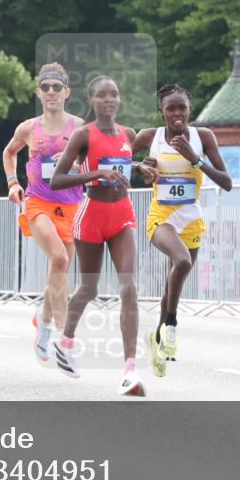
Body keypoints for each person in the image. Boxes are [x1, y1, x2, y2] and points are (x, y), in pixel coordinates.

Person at [50, 76, 158, 396]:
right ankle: (66, 341)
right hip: (92, 216)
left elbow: (121, 162)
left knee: (128, 287)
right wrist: (96, 174)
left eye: (114, 94)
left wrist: (140, 167)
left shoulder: (129, 134)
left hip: (122, 215)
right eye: (102, 95)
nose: (109, 100)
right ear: (92, 100)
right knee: (90, 287)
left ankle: (129, 370)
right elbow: (58, 180)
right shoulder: (83, 135)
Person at [132, 84, 232, 378]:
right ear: (161, 111)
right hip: (161, 216)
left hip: (191, 218)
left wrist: (195, 159)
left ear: (190, 109)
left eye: (182, 108)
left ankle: (159, 341)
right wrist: (140, 166)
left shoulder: (203, 137)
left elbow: (226, 182)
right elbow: (118, 160)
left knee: (171, 287)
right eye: (170, 108)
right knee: (182, 262)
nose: (177, 114)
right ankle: (172, 325)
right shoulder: (150, 137)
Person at [2, 63, 85, 364]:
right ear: (39, 92)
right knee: (59, 259)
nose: (51, 92)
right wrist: (12, 183)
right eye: (46, 87)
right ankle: (64, 337)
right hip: (38, 203)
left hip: (72, 206)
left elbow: (91, 160)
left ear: (66, 92)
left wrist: (81, 167)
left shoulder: (79, 127)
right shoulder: (28, 128)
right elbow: (9, 152)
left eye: (57, 87)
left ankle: (44, 323)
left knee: (59, 271)